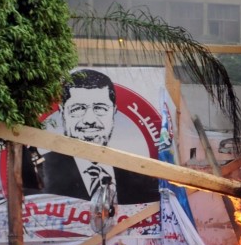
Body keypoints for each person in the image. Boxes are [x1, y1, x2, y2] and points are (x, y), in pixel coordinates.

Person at [22, 69, 160, 205]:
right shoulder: (42, 173)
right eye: (78, 109)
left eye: (100, 108)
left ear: (113, 112)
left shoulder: (137, 175)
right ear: (63, 113)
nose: (89, 120)